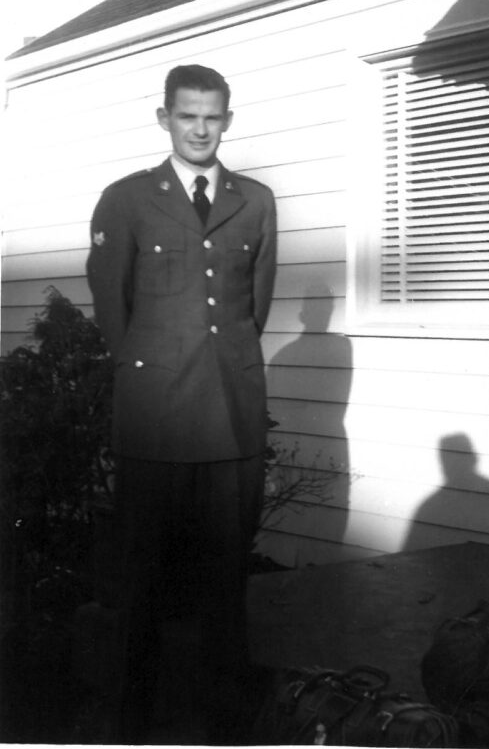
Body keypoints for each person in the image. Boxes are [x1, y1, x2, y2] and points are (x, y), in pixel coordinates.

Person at [86, 63, 277, 742]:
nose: (201, 128)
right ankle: (130, 718)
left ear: (228, 119)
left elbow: (254, 305)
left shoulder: (255, 202)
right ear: (163, 117)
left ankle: (225, 716)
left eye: (214, 115)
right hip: (157, 416)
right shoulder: (127, 200)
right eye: (188, 114)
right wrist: (154, 369)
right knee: (142, 578)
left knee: (226, 575)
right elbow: (115, 308)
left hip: (230, 413)